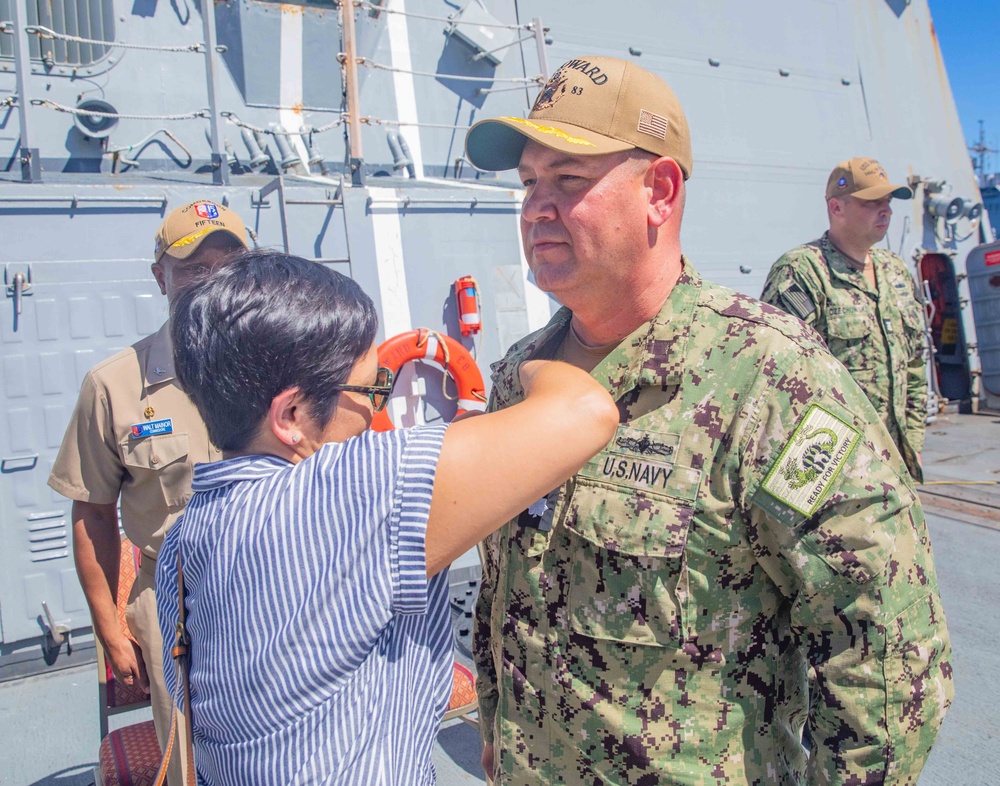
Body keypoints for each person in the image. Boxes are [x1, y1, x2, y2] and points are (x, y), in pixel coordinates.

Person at [464, 55, 952, 785]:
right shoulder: (516, 380)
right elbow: (505, 610)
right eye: (530, 182)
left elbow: (886, 642)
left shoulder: (770, 379)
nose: (537, 206)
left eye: (569, 181)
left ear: (659, 192)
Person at [154, 250, 618, 786]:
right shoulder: (338, 497)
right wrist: (526, 361)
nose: (377, 410)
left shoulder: (186, 538)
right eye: (370, 391)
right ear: (291, 417)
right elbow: (584, 410)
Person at [48, 200, 248, 784]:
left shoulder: (280, 364)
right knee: (191, 765)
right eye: (191, 267)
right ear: (159, 276)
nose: (211, 282)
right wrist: (110, 626)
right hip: (174, 605)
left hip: (279, 587)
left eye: (227, 265)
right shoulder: (114, 386)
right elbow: (92, 511)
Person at [761, 158, 927, 481]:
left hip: (893, 465)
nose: (887, 211)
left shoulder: (895, 271)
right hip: (832, 470)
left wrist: (914, 442)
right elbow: (774, 379)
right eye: (873, 202)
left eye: (888, 202)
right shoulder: (802, 272)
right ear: (837, 208)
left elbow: (915, 365)